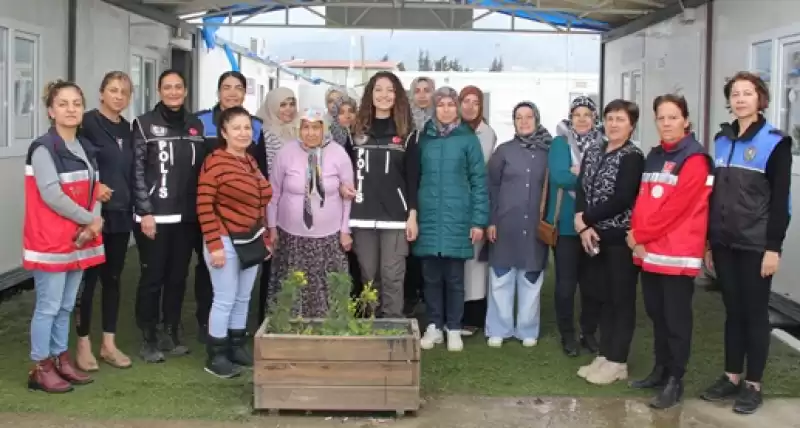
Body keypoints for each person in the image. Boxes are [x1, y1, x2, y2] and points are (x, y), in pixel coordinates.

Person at [700, 72, 792, 415]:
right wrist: (710, 241)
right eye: (735, 94)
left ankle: (753, 385)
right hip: (724, 244)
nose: (740, 99)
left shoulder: (776, 142)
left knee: (755, 315)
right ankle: (731, 376)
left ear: (760, 98)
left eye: (747, 93)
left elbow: (782, 201)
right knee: (733, 313)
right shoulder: (722, 141)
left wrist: (774, 248)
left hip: (756, 246)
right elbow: (713, 196)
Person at [628, 94, 713, 409]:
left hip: (676, 255)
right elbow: (643, 200)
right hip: (650, 253)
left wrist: (639, 234)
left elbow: (677, 209)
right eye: (661, 117)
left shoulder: (695, 159)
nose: (666, 123)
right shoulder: (654, 155)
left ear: (686, 121)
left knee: (676, 321)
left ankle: (676, 380)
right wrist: (638, 237)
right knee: (657, 315)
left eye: (673, 117)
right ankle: (661, 370)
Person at [24, 80, 105, 392]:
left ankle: (61, 359)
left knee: (66, 305)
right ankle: (40, 367)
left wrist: (92, 220)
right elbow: (51, 194)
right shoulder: (44, 148)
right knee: (48, 305)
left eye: (76, 104)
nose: (71, 109)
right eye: (63, 104)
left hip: (77, 239)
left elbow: (93, 186)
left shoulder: (83, 146)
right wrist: (91, 220)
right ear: (50, 111)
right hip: (50, 241)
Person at [132, 70, 206, 363]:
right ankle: (148, 335)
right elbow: (136, 170)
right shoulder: (144, 124)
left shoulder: (195, 125)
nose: (173, 92)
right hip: (155, 217)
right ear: (159, 90)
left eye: (178, 87)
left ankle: (170, 330)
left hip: (186, 217)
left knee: (177, 278)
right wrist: (145, 211)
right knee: (153, 277)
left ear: (185, 91)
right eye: (168, 87)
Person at [197, 106, 273, 379]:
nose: (243, 133)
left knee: (243, 298)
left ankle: (236, 345)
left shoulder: (250, 162)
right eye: (237, 128)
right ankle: (215, 355)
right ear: (224, 132)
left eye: (247, 128)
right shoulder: (215, 162)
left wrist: (264, 237)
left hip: (251, 239)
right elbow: (204, 205)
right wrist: (214, 245)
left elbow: (260, 202)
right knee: (225, 299)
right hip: (225, 241)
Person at [575, 99, 644, 385]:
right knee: (601, 296)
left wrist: (587, 218)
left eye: (621, 119)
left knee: (621, 299)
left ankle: (618, 360)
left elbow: (623, 197)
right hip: (593, 237)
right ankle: (604, 354)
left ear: (631, 125)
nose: (614, 124)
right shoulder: (594, 151)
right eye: (610, 118)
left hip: (619, 238)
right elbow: (582, 188)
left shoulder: (633, 156)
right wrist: (582, 223)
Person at [415, 87, 488, 352]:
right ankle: (434, 326)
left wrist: (478, 221)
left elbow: (479, 181)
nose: (446, 109)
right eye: (441, 104)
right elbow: (415, 177)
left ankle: (454, 327)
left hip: (458, 218)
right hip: (429, 217)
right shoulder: (424, 139)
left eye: (450, 104)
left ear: (456, 108)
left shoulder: (468, 139)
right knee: (431, 277)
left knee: (455, 278)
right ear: (435, 108)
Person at [74, 71, 135, 371]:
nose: (119, 96)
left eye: (124, 91)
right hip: (92, 215)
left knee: (113, 279)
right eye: (113, 90)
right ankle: (83, 343)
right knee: (89, 280)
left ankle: (108, 344)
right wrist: (93, 187)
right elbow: (70, 160)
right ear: (101, 93)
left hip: (121, 215)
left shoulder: (129, 129)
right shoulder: (85, 123)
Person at [268, 108, 354, 317]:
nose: (311, 133)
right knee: (292, 285)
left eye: (316, 127)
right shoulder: (286, 152)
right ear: (299, 129)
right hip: (292, 235)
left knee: (328, 286)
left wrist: (345, 230)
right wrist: (272, 227)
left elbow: (348, 194)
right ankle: (289, 329)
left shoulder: (338, 153)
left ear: (324, 128)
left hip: (329, 237)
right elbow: (273, 193)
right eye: (306, 127)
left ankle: (330, 330)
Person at [349, 71, 420, 319]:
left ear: (397, 95)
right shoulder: (354, 132)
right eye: (378, 89)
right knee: (369, 278)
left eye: (390, 90)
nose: (384, 95)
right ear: (370, 94)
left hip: (396, 218)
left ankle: (393, 331)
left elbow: (413, 177)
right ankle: (371, 332)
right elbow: (344, 172)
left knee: (392, 277)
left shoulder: (408, 132)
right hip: (361, 216)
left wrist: (412, 215)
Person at [484, 101, 551, 349]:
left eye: (528, 117)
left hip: (534, 226)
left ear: (537, 118)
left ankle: (527, 329)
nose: (524, 121)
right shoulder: (503, 151)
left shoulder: (548, 152)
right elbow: (490, 187)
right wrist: (491, 220)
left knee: (531, 278)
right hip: (505, 224)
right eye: (519, 117)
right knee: (501, 277)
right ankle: (499, 328)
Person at [546, 96, 603, 357]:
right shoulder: (559, 143)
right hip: (567, 226)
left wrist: (577, 173)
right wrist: (590, 177)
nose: (582, 119)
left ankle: (588, 332)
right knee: (566, 285)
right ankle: (567, 334)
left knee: (592, 285)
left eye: (587, 114)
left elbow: (608, 179)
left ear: (594, 118)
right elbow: (559, 176)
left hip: (595, 225)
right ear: (570, 117)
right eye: (577, 114)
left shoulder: (603, 143)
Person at [458, 85, 496, 336]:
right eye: (466, 101)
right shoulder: (451, 130)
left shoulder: (486, 133)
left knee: (475, 263)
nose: (470, 106)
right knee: (457, 261)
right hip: (455, 203)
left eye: (475, 102)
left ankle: (474, 315)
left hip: (476, 202)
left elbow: (479, 169)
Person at [404, 76, 435, 317]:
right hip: (410, 185)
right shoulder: (404, 120)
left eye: (427, 90)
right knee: (411, 242)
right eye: (418, 90)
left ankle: (428, 292)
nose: (422, 95)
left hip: (434, 187)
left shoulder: (441, 119)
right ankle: (411, 293)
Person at [256, 86, 299, 175]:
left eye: (292, 104)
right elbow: (268, 168)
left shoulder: (300, 127)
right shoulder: (265, 133)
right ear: (273, 106)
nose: (289, 109)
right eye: (283, 105)